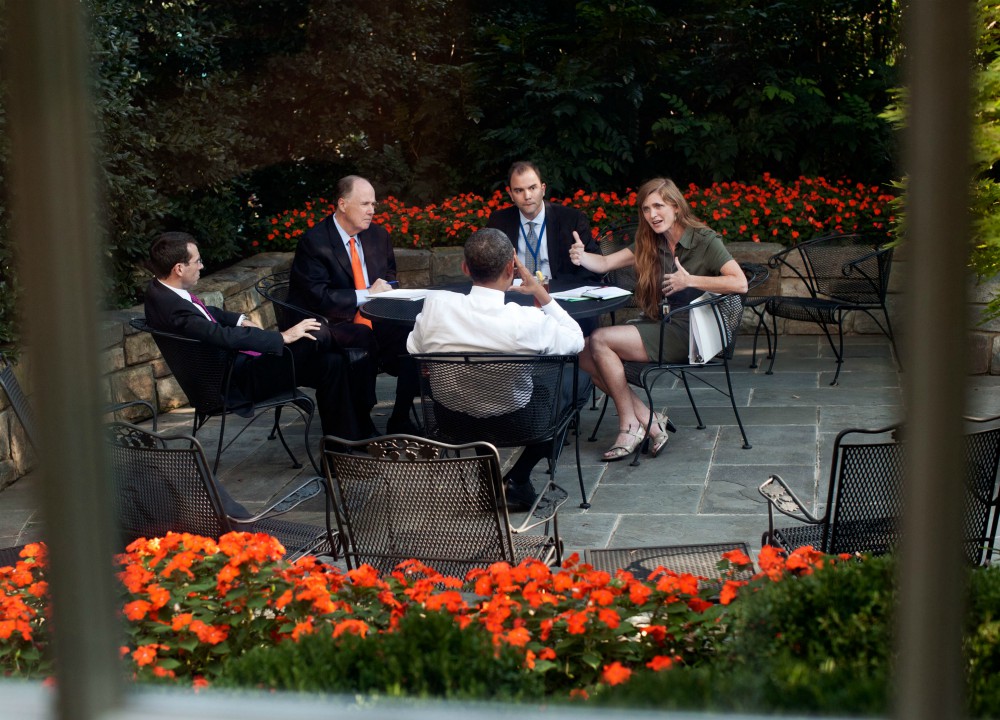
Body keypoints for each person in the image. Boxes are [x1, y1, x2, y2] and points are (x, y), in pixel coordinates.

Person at [406, 227, 590, 511]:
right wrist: (541, 293)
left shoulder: (435, 307)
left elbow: (414, 347)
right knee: (579, 378)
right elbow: (576, 340)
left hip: (450, 421)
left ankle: (487, 480)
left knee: (474, 387)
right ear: (510, 268)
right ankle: (518, 477)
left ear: (465, 267)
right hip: (517, 422)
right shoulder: (526, 320)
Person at [569, 177, 748, 462]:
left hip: (692, 332)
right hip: (662, 323)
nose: (652, 214)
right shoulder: (651, 241)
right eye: (645, 208)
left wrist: (691, 280)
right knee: (582, 351)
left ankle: (629, 425)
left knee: (601, 340)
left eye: (658, 206)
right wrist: (582, 256)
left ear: (676, 207)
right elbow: (603, 264)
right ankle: (649, 419)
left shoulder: (703, 240)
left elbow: (740, 283)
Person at [144, 232, 374, 441]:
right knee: (322, 333)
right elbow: (221, 336)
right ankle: (347, 341)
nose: (202, 266)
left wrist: (239, 318)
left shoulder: (163, 293)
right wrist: (283, 337)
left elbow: (205, 314)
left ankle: (343, 446)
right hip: (235, 383)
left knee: (332, 363)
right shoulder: (173, 308)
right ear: (179, 268)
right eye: (197, 261)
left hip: (241, 368)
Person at [286, 175, 419, 434]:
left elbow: (390, 277)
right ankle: (362, 417)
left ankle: (400, 416)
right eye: (365, 204)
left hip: (374, 316)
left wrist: (386, 290)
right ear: (343, 204)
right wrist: (367, 294)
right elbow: (319, 298)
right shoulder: (315, 242)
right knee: (362, 337)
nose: (371, 210)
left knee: (416, 334)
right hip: (329, 322)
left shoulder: (378, 236)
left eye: (373, 204)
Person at [487, 160, 602, 284]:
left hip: (558, 293)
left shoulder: (572, 219)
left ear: (543, 189)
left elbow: (594, 270)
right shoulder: (499, 221)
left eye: (532, 188)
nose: (527, 196)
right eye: (519, 190)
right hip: (515, 293)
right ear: (511, 194)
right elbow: (486, 265)